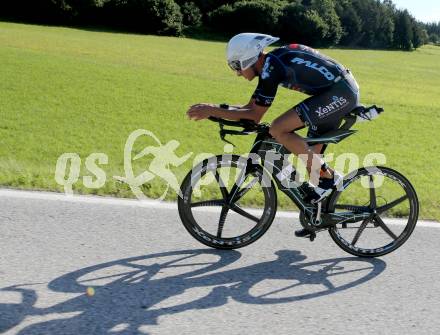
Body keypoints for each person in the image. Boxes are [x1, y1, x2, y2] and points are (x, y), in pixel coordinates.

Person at [187, 33, 361, 237]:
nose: (237, 73)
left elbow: (254, 115)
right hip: (336, 92)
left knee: (278, 128)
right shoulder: (271, 63)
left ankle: (329, 178)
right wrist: (216, 110)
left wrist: (212, 110)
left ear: (247, 58)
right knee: (310, 163)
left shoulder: (271, 66)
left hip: (340, 93)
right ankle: (317, 215)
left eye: (236, 66)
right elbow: (249, 109)